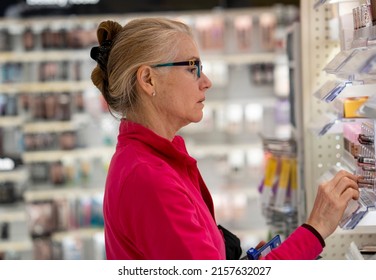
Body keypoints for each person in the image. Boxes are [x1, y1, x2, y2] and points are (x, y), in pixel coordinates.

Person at [90, 17, 360, 260]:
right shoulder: (149, 177)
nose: (206, 81)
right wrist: (315, 229)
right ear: (148, 80)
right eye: (192, 67)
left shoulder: (154, 160)